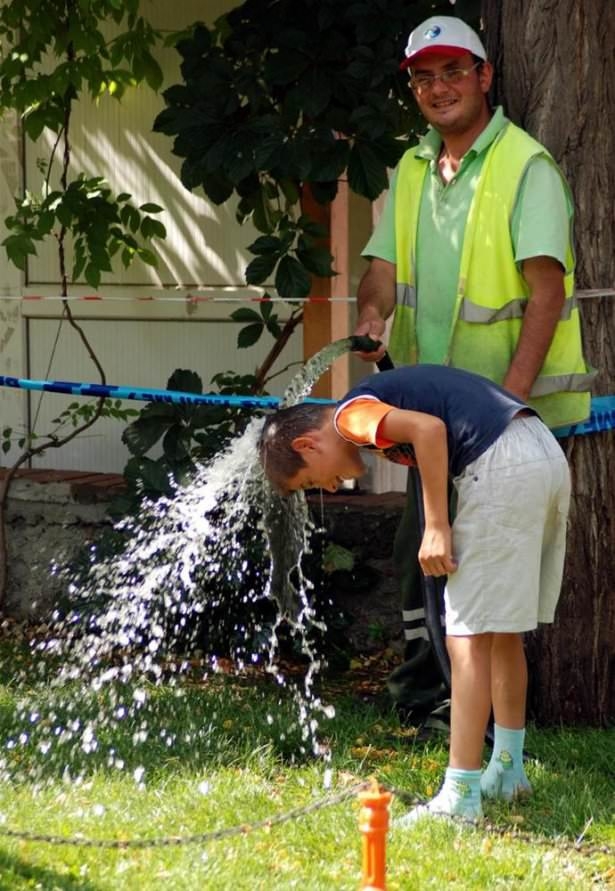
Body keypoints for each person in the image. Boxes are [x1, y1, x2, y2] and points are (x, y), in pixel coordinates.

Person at [352, 15, 594, 732]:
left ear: (484, 75)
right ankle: (426, 703)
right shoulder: (413, 169)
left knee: (488, 581)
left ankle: (487, 732)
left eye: (452, 70)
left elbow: (544, 294)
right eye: (423, 76)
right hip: (434, 426)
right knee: (420, 556)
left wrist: (503, 415)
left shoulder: (526, 167)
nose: (438, 87)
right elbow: (380, 273)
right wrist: (372, 316)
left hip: (506, 429)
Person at [258, 363, 571, 820]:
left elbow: (429, 429)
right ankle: (507, 769)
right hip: (540, 451)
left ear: (307, 444)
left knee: (465, 637)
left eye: (310, 481)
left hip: (501, 462)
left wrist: (438, 526)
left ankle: (460, 796)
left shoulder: (350, 416)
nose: (327, 488)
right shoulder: (371, 407)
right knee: (501, 630)